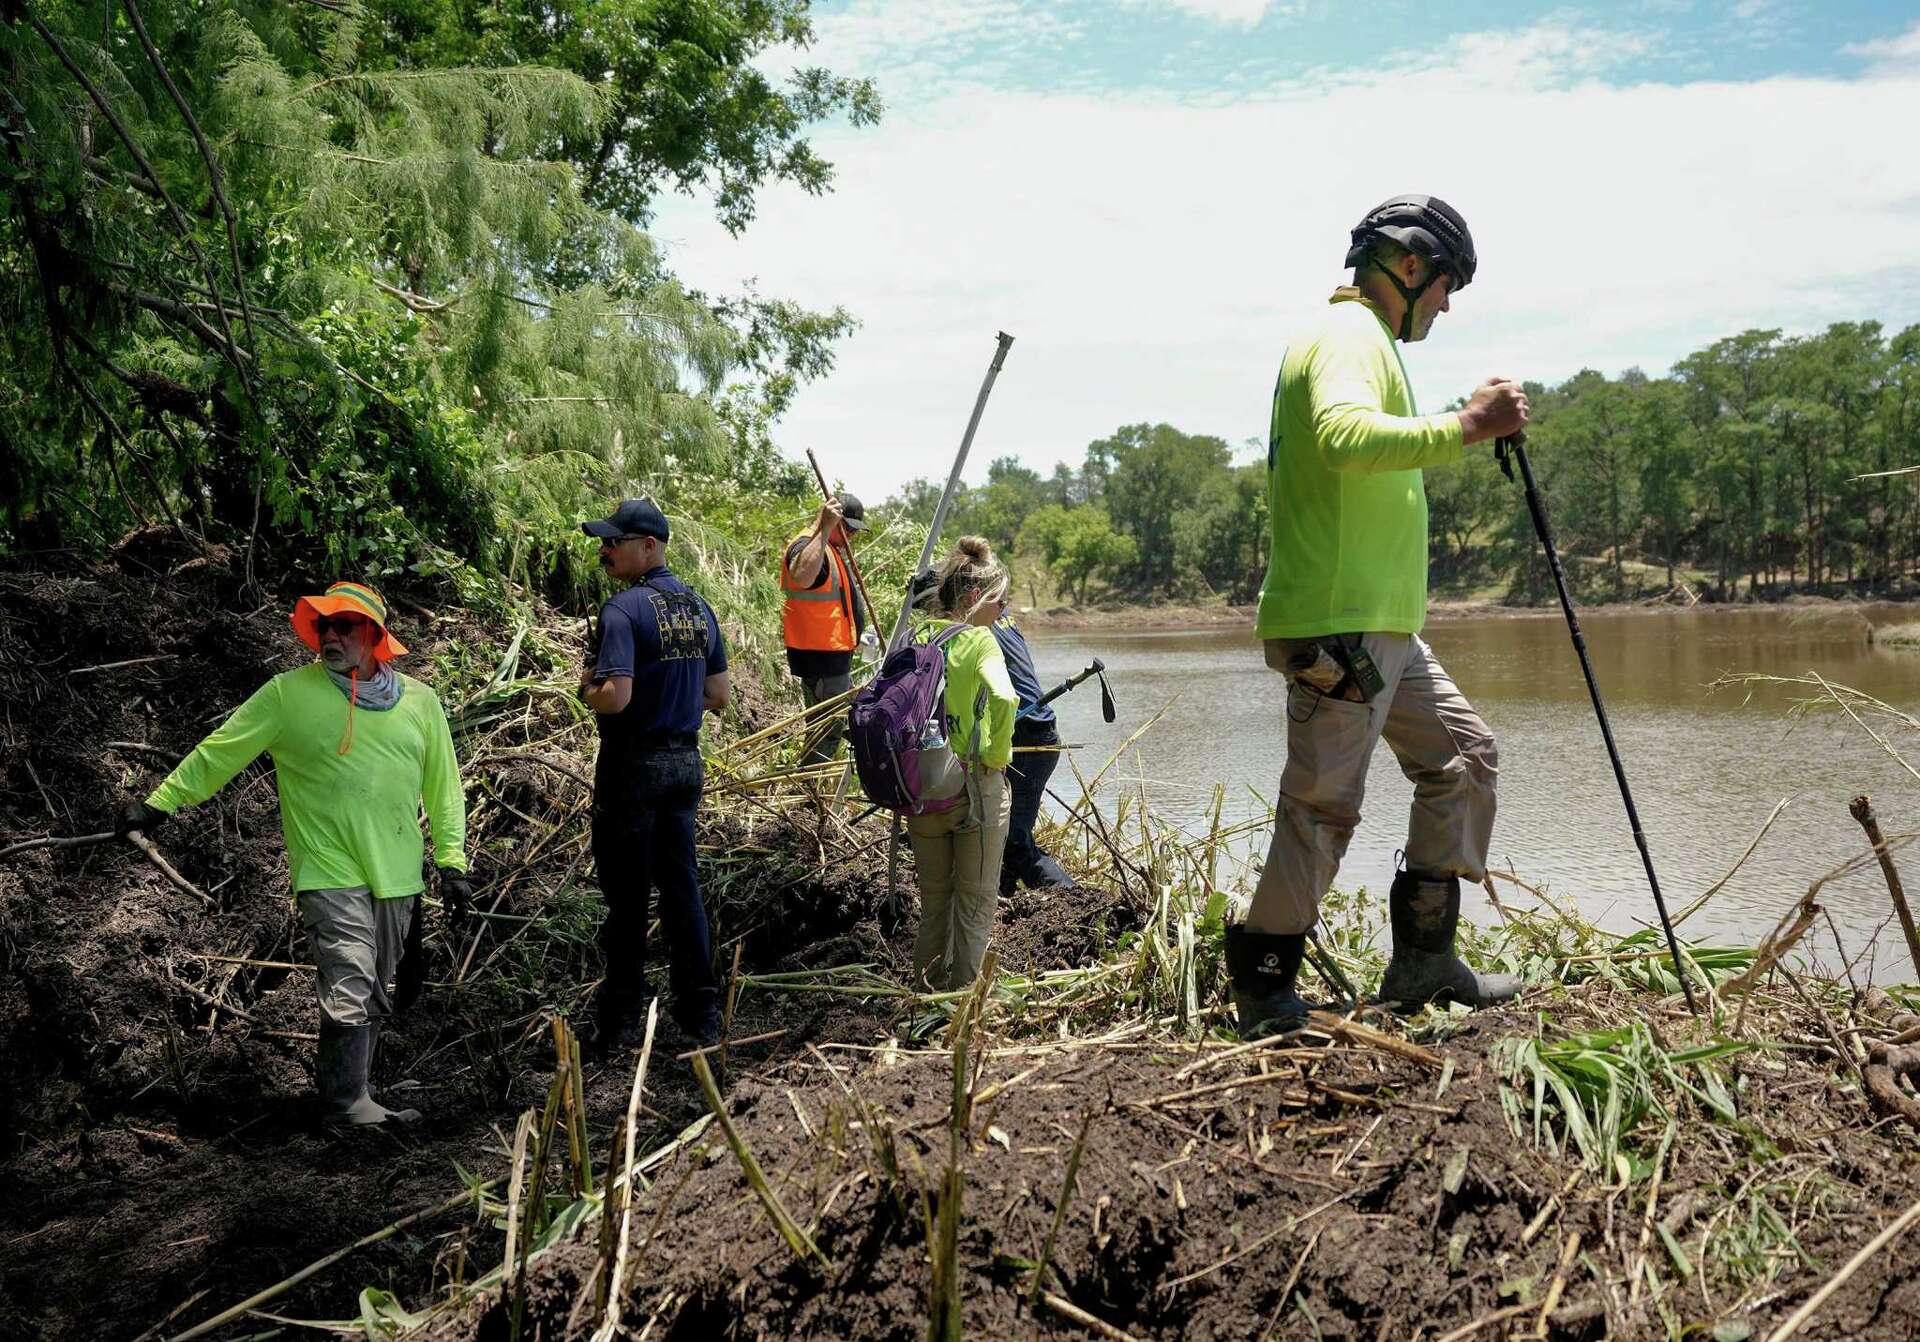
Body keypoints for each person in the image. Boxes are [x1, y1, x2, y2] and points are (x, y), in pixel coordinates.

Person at [1228, 194, 1531, 1038]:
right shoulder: (1347, 337)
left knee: (1464, 758)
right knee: (1323, 807)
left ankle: (1425, 961)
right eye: (1445, 285)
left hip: (1381, 627)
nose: (1446, 303)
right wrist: (1468, 424)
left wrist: (1455, 417)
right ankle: (1263, 987)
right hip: (1341, 627)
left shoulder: (1366, 346)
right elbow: (1341, 434)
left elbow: (1365, 442)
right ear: (1408, 267)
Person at [115, 581, 469, 1127]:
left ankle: (355, 1094)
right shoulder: (288, 694)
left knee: (375, 987)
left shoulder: (421, 703)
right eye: (323, 626)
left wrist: (452, 863)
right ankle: (346, 1106)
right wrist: (161, 803)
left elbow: (444, 789)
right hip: (328, 868)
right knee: (350, 976)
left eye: (343, 626)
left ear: (374, 635)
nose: (330, 635)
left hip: (397, 872)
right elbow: (222, 749)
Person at [579, 498, 731, 1051]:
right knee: (681, 887)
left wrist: (587, 687)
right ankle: (701, 1014)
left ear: (649, 546)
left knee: (626, 894)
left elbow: (615, 698)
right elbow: (718, 696)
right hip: (685, 764)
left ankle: (619, 1020)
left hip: (633, 764)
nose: (604, 549)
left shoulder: (623, 610)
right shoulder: (699, 608)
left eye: (613, 542)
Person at [906, 537, 1018, 992]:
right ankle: (963, 1002)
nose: (1004, 609)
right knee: (974, 904)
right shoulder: (980, 640)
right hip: (973, 789)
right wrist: (995, 755)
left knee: (935, 901)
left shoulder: (917, 636)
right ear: (974, 598)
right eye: (1000, 600)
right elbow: (1006, 697)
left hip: (922, 790)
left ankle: (925, 992)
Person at [780, 492, 871, 764]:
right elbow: (802, 575)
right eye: (849, 529)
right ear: (835, 521)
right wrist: (824, 527)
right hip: (820, 659)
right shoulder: (809, 545)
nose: (852, 537)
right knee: (826, 731)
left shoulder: (828, 549)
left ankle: (812, 790)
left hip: (832, 658)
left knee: (829, 727)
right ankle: (810, 793)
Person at [992, 611, 1077, 895]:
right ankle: (1002, 893)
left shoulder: (975, 626)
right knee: (1000, 832)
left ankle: (1073, 900)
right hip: (1036, 733)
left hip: (1028, 738)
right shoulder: (999, 614)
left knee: (1014, 840)